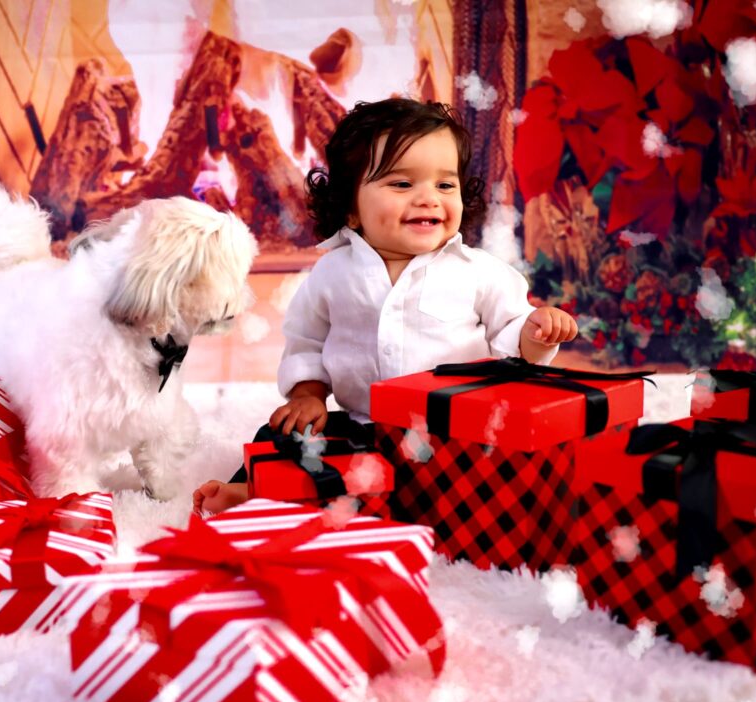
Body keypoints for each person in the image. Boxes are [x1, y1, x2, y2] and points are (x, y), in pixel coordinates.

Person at [192, 98, 578, 515]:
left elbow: (513, 342)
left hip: (454, 436)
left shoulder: (478, 272)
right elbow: (306, 341)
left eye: (445, 185)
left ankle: (397, 502)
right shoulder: (332, 274)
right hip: (363, 427)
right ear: (351, 210)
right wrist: (308, 395)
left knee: (501, 472)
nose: (429, 198)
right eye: (402, 184)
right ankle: (257, 488)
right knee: (280, 434)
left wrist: (537, 332)